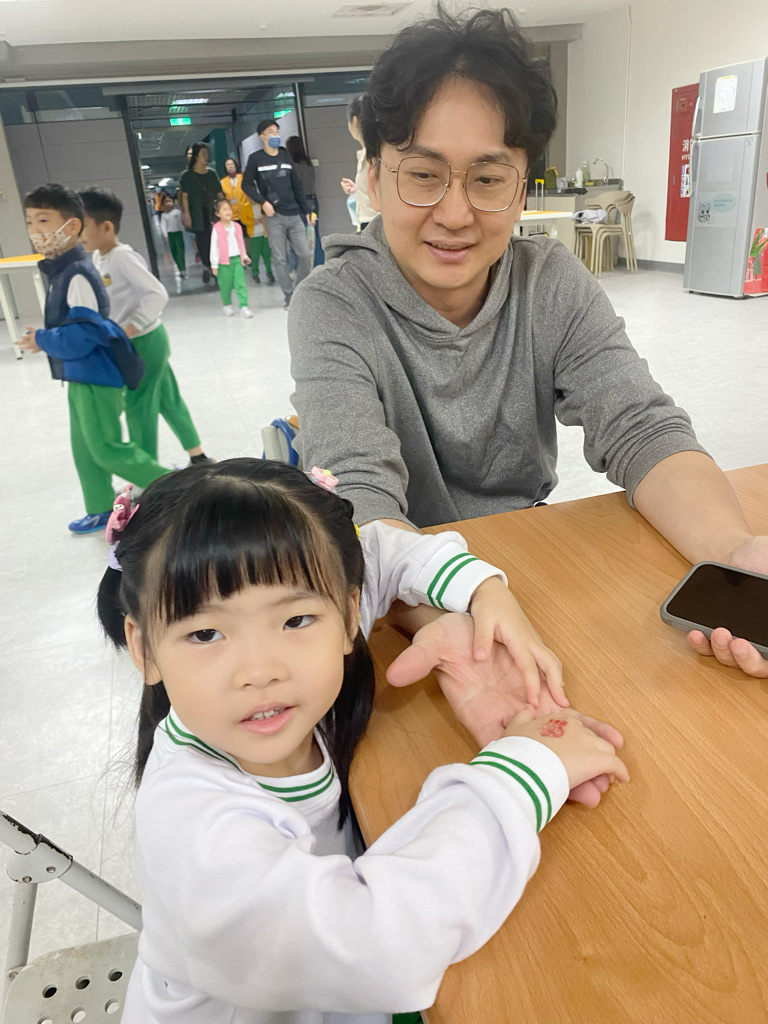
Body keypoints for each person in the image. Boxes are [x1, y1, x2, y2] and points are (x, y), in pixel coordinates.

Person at [289, 6, 768, 692]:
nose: (455, 214)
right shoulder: (334, 303)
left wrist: (732, 554)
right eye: (422, 174)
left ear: (522, 190)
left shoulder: (549, 283)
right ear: (372, 176)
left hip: (523, 555)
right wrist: (453, 611)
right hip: (403, 595)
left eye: (487, 179)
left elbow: (641, 428)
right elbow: (357, 499)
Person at [96, 457, 628, 1024]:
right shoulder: (193, 830)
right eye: (205, 633)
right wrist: (521, 775)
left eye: (294, 621)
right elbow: (377, 951)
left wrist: (486, 595)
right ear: (144, 648)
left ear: (349, 612)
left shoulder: (297, 672)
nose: (260, 670)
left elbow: (380, 551)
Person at [18, 184, 171, 534]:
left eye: (44, 220)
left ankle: (179, 488)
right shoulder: (61, 269)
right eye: (29, 222)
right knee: (84, 448)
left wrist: (42, 339)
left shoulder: (77, 274)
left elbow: (84, 334)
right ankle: (100, 507)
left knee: (106, 448)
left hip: (95, 375)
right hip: (78, 374)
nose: (35, 231)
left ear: (71, 226)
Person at [79, 186, 212, 466]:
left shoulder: (121, 256)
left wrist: (130, 328)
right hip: (140, 341)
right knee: (167, 398)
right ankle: (198, 457)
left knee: (137, 406)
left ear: (106, 227)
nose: (78, 233)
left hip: (144, 342)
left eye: (83, 226)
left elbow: (156, 294)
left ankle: (146, 474)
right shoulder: (99, 256)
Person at [242, 119, 317, 308]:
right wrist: (263, 202)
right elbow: (246, 184)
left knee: (304, 254)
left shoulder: (285, 157)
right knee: (280, 259)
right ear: (262, 136)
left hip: (294, 214)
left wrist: (307, 210)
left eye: (277, 131)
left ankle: (299, 291)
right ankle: (289, 296)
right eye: (271, 132)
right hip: (274, 217)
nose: (275, 135)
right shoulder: (256, 159)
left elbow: (297, 186)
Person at [179, 142, 221, 284]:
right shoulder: (186, 176)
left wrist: (224, 208)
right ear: (196, 156)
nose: (206, 156)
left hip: (212, 213)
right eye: (203, 153)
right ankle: (207, 266)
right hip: (197, 213)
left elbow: (219, 194)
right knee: (203, 242)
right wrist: (186, 214)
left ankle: (215, 267)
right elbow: (184, 197)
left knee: (216, 240)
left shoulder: (212, 174)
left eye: (206, 153)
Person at [210, 198, 253, 318]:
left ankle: (244, 306)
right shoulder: (216, 228)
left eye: (229, 209)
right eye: (224, 210)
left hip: (237, 260)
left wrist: (244, 255)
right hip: (223, 263)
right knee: (225, 285)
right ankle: (227, 305)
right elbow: (214, 247)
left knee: (240, 283)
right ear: (218, 214)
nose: (228, 212)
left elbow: (241, 242)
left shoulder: (237, 226)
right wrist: (214, 264)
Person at [340, 95, 377, 232]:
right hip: (369, 222)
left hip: (376, 224)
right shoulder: (367, 152)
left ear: (354, 121)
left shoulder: (375, 153)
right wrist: (358, 190)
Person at [286, 134, 324, 266]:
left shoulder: (293, 166)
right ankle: (319, 263)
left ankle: (300, 266)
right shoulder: (308, 164)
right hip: (313, 201)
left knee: (298, 236)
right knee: (314, 234)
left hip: (300, 203)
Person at [159, 196, 186, 277]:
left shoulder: (177, 212)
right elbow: (163, 225)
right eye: (166, 202)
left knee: (180, 251)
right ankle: (180, 268)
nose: (168, 203)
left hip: (178, 233)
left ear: (173, 202)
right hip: (170, 235)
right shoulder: (164, 215)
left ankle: (183, 268)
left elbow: (182, 221)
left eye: (169, 201)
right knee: (174, 252)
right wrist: (165, 235)